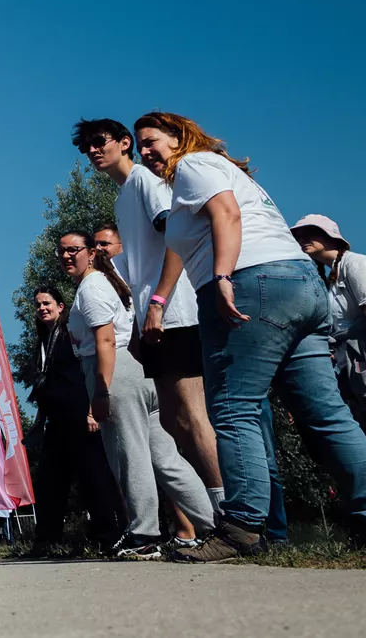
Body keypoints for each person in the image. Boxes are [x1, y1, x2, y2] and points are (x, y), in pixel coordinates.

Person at [135, 113, 366, 559]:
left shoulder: (193, 165)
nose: (145, 152)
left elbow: (227, 213)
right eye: (140, 144)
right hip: (300, 285)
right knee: (327, 414)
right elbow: (185, 246)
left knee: (232, 408)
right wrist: (160, 301)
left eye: (151, 141)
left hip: (250, 283)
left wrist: (223, 275)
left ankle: (241, 527)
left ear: (178, 137)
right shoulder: (217, 171)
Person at [76, 119, 226, 520]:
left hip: (177, 311)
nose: (92, 150)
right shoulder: (123, 197)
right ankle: (213, 519)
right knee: (175, 422)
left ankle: (230, 515)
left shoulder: (145, 180)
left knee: (192, 416)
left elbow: (178, 235)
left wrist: (158, 301)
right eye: (86, 147)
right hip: (153, 320)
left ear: (125, 143)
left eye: (99, 141)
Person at [64, 234, 215, 558]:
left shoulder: (91, 287)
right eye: (61, 251)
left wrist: (102, 390)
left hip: (114, 371)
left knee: (129, 456)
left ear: (91, 253)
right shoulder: (109, 282)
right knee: (166, 459)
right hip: (138, 370)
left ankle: (144, 535)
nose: (66, 256)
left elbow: (105, 340)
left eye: (73, 250)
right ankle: (214, 524)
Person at [26, 282, 122, 553]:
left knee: (93, 477)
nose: (42, 308)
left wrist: (92, 411)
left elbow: (88, 371)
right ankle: (46, 541)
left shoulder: (70, 334)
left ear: (60, 307)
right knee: (49, 481)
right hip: (56, 420)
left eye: (47, 303)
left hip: (80, 415)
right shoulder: (43, 340)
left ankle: (107, 537)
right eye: (38, 305)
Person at [292, 215, 366, 434]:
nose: (302, 238)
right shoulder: (330, 279)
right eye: (298, 236)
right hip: (352, 370)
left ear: (331, 236)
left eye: (309, 232)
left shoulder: (355, 264)